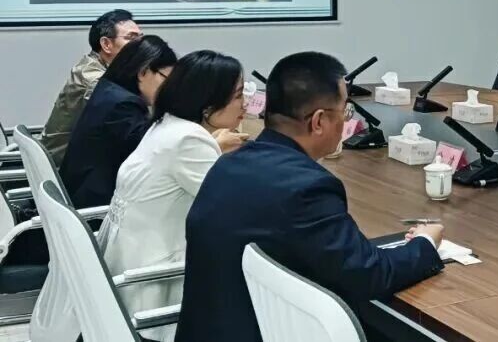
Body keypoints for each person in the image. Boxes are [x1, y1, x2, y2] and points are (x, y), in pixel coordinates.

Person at [175, 52, 445, 342]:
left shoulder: (228, 164)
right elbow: (370, 274)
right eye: (345, 111)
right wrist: (425, 243)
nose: (346, 120)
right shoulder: (308, 188)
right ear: (318, 121)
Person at [98, 50, 250, 341]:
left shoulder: (167, 124)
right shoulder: (189, 140)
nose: (245, 105)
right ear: (208, 104)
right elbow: (236, 209)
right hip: (156, 281)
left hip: (127, 267)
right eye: (238, 95)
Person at [59, 35, 176, 208]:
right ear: (143, 72)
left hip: (81, 193)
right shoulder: (124, 105)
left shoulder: (110, 90)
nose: (169, 88)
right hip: (98, 206)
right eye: (167, 79)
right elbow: (151, 152)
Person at [41, 9, 142, 165]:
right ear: (106, 44)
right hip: (67, 165)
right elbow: (124, 120)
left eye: (141, 37)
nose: (141, 44)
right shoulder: (93, 78)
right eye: (132, 38)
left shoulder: (102, 67)